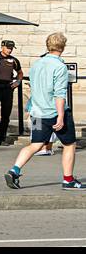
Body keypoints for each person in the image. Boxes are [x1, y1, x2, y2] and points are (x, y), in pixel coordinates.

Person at [5, 32, 81, 190]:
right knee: (69, 144)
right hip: (53, 112)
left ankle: (14, 170)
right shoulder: (60, 67)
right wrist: (60, 116)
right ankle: (68, 179)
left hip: (37, 112)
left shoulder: (37, 64)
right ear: (63, 47)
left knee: (36, 144)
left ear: (48, 46)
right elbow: (59, 94)